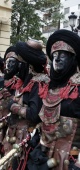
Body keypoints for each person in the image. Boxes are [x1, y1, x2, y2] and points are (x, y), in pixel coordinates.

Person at [27, 29, 80, 170]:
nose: (57, 58)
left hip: (69, 160)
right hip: (43, 156)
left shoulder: (79, 87)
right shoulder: (48, 85)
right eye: (54, 54)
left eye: (62, 54)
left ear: (73, 57)